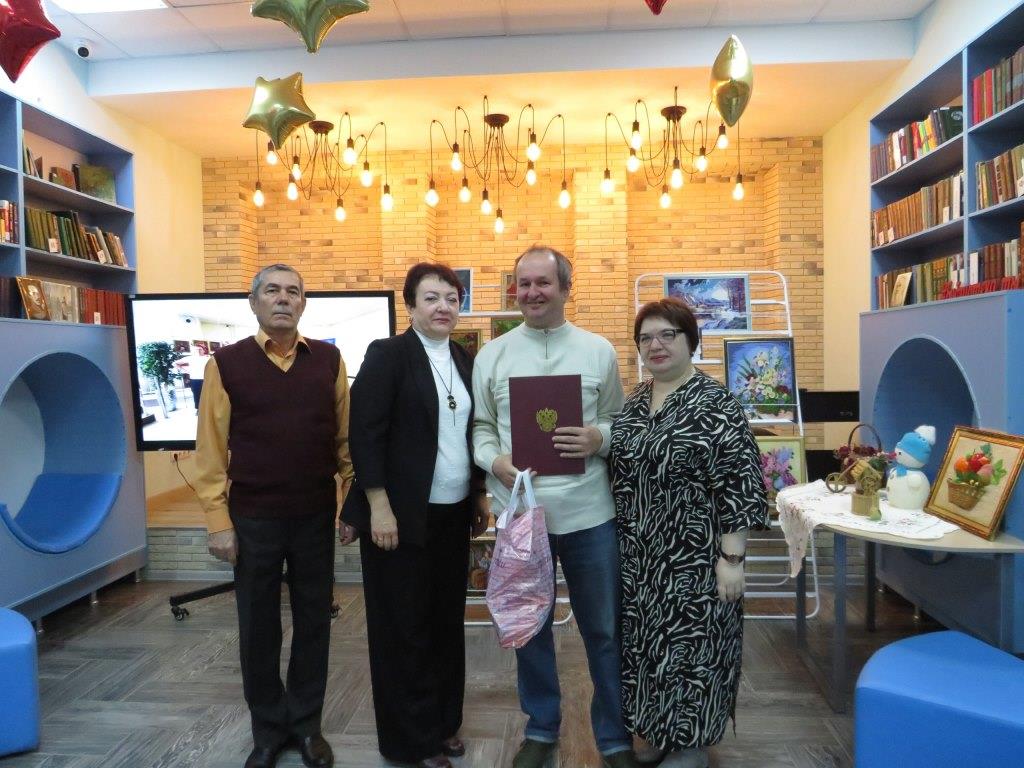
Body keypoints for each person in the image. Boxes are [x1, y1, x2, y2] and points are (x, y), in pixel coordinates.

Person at [472, 246, 641, 768]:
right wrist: (495, 461)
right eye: (523, 284)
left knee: (605, 631)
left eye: (543, 282)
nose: (532, 293)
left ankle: (614, 736)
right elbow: (481, 428)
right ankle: (541, 729)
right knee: (530, 631)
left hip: (591, 516)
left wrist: (598, 438)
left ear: (566, 288)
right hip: (523, 519)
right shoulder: (492, 355)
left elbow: (617, 421)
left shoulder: (598, 351)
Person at [194, 264, 352, 768]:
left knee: (314, 623)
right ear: (254, 302)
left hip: (314, 516)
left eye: (293, 292)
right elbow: (210, 452)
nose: (283, 299)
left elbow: (345, 443)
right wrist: (218, 522)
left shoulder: (329, 360)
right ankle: (267, 730)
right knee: (258, 628)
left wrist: (350, 505)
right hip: (253, 519)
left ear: (303, 303)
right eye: (272, 291)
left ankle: (306, 726)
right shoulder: (226, 364)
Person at [609, 298, 768, 768]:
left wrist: (732, 559)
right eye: (645, 338)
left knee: (694, 650)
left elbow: (740, 484)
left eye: (667, 334)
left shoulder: (716, 404)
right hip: (640, 558)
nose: (655, 345)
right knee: (649, 649)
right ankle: (660, 731)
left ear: (690, 340)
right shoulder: (635, 400)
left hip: (696, 558)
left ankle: (692, 744)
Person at [340, 263, 488, 768]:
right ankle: (411, 740)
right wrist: (378, 506)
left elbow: (469, 433)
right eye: (431, 297)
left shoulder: (464, 357)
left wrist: (478, 494)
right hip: (398, 518)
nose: (443, 306)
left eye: (452, 298)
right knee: (403, 628)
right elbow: (364, 433)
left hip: (452, 513)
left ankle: (444, 724)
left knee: (445, 622)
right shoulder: (389, 355)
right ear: (410, 306)